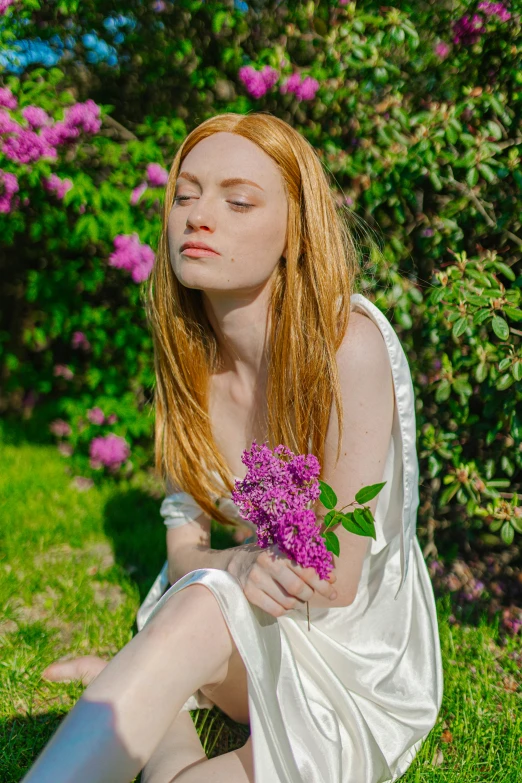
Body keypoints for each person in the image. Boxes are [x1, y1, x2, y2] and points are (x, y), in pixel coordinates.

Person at [23, 111, 443, 783]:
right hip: (219, 622)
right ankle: (144, 685)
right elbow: (183, 552)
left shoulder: (347, 349)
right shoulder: (188, 363)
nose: (198, 215)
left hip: (346, 663)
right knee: (205, 595)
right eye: (185, 195)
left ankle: (135, 688)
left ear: (294, 231)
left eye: (238, 199)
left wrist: (230, 576)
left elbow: (336, 580)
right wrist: (238, 566)